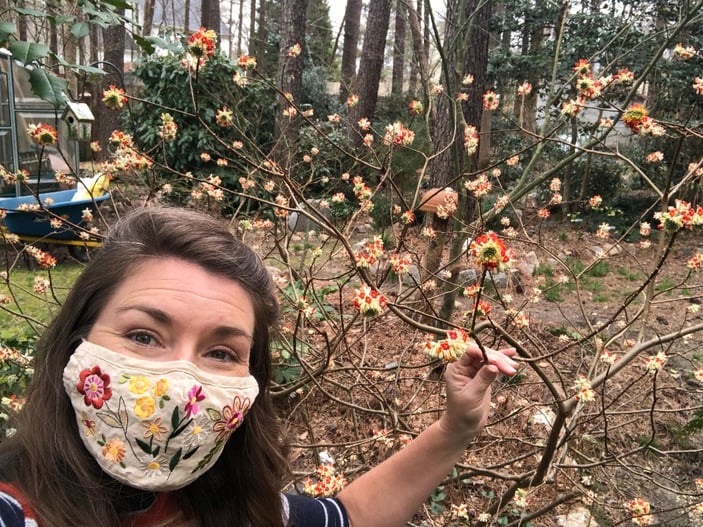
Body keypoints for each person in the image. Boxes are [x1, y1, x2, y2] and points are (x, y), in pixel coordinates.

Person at [0, 207, 518, 527]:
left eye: (222, 352)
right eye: (143, 336)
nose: (181, 381)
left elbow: (350, 517)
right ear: (77, 341)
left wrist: (456, 428)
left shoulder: (228, 507)